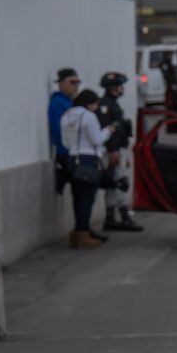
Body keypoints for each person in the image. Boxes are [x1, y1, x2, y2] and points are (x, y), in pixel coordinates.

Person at [60, 88, 110, 249]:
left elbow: (65, 142)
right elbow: (97, 140)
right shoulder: (89, 117)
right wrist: (108, 131)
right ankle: (83, 234)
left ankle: (77, 234)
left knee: (77, 197)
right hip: (88, 159)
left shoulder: (66, 116)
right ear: (90, 103)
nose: (96, 107)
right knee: (88, 199)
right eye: (96, 104)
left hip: (72, 158)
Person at [94, 71, 143, 233]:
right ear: (111, 87)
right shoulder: (105, 106)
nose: (121, 89)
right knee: (121, 182)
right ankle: (124, 217)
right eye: (118, 86)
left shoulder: (112, 104)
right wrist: (114, 151)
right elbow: (108, 130)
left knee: (113, 183)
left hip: (117, 149)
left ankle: (110, 217)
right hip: (113, 151)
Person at [48, 68, 80, 197]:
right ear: (61, 83)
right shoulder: (58, 103)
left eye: (78, 82)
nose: (76, 86)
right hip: (65, 153)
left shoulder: (72, 102)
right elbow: (57, 130)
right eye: (72, 82)